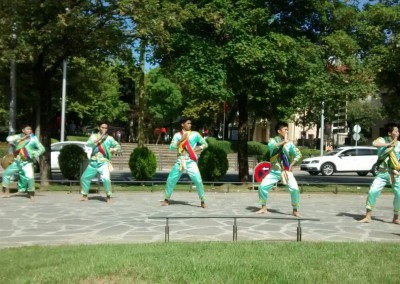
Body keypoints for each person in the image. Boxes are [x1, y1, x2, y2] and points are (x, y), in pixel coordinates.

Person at [161, 117, 208, 208]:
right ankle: (166, 199)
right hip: (180, 160)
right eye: (188, 123)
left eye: (190, 123)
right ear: (182, 124)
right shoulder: (177, 135)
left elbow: (205, 144)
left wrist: (197, 149)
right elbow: (171, 147)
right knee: (171, 179)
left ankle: (203, 200)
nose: (190, 125)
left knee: (198, 180)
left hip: (190, 161)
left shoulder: (195, 134)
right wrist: (180, 140)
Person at [257, 121, 302, 216]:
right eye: (285, 129)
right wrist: (283, 142)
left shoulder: (289, 144)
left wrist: (291, 165)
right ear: (279, 131)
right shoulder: (272, 140)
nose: (287, 131)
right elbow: (271, 147)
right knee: (262, 187)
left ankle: (295, 210)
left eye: (287, 129)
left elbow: (298, 154)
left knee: (295, 189)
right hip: (274, 171)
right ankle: (263, 207)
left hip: (286, 171)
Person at [359, 122, 400, 224]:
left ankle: (396, 217)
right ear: (390, 133)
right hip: (382, 173)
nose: (398, 132)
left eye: (398, 131)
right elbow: (374, 144)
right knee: (372, 192)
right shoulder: (382, 140)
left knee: (399, 195)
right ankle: (368, 216)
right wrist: (388, 144)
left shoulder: (399, 144)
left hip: (395, 173)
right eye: (396, 131)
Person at [80, 122, 121, 203]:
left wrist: (113, 150)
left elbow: (118, 147)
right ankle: (84, 195)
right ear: (99, 128)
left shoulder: (110, 138)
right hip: (93, 162)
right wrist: (100, 138)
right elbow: (89, 144)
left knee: (106, 179)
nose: (104, 129)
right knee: (84, 177)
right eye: (102, 127)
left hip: (104, 162)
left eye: (106, 128)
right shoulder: (94, 136)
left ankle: (108, 196)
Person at [1, 125, 45, 199]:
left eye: (30, 129)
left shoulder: (33, 139)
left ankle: (31, 194)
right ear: (23, 130)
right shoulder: (19, 137)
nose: (30, 130)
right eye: (28, 129)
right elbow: (8, 138)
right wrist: (21, 139)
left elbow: (42, 149)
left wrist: (34, 154)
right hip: (17, 161)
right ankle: (6, 193)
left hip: (27, 162)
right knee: (6, 174)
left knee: (30, 177)